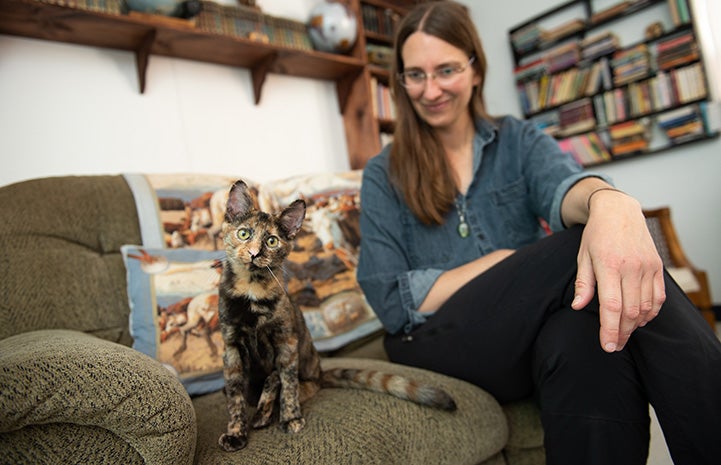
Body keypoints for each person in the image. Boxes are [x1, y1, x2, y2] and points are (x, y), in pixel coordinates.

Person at [356, 2, 721, 464]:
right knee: (574, 248)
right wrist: (500, 262)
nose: (430, 90)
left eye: (445, 69)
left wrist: (607, 202)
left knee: (585, 338)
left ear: (474, 69)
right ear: (401, 81)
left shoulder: (518, 140)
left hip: (520, 340)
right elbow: (390, 300)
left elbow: (564, 186)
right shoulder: (382, 173)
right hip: (431, 342)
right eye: (415, 75)